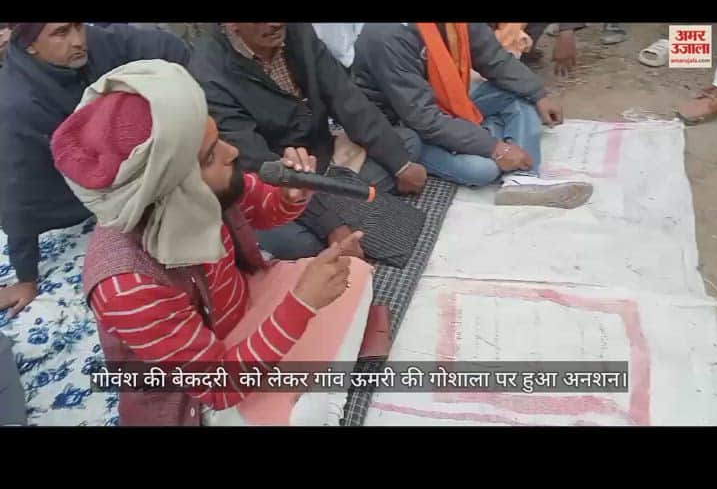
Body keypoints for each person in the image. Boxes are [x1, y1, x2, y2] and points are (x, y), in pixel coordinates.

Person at [50, 61, 374, 427]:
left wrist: (290, 196)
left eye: (217, 137)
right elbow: (218, 386)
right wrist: (302, 303)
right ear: (169, 189)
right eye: (208, 156)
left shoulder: (193, 189)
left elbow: (260, 208)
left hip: (247, 304)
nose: (231, 152)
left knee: (354, 273)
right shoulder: (126, 286)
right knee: (303, 417)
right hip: (201, 390)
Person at [189, 22, 427, 261]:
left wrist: (400, 164)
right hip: (276, 182)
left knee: (406, 145)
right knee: (302, 243)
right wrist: (331, 224)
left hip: (323, 154)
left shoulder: (297, 30)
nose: (276, 24)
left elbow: (346, 97)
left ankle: (343, 198)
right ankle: (343, 201)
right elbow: (257, 162)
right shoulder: (210, 74)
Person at [0, 21, 191, 317]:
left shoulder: (90, 43)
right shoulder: (16, 106)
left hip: (123, 152)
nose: (78, 40)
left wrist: (187, 100)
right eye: (61, 33)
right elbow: (17, 191)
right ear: (30, 45)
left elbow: (170, 48)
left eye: (78, 26)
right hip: (65, 186)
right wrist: (26, 277)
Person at [353, 22, 594, 208]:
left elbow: (493, 58)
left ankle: (521, 179)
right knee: (483, 170)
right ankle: (497, 142)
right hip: (403, 126)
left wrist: (538, 94)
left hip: (445, 103)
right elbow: (424, 120)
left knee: (520, 96)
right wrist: (495, 147)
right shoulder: (387, 35)